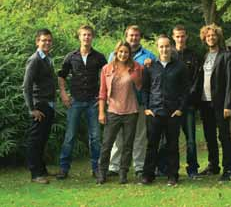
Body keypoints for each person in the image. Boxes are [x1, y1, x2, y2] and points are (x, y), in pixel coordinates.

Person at [56, 25, 107, 179]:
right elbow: (61, 76)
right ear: (79, 37)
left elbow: (106, 77)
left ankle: (96, 168)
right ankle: (64, 169)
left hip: (93, 101)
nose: (86, 37)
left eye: (89, 35)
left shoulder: (99, 57)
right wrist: (64, 94)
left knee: (95, 138)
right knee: (70, 136)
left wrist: (102, 97)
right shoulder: (71, 57)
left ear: (92, 37)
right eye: (84, 35)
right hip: (75, 101)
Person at [108, 25, 155, 178]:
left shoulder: (149, 56)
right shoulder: (113, 55)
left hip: (139, 102)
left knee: (139, 136)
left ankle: (139, 166)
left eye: (136, 35)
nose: (133, 38)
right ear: (126, 36)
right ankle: (114, 166)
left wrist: (149, 67)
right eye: (131, 35)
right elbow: (107, 77)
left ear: (140, 37)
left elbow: (153, 79)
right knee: (118, 137)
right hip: (118, 104)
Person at [141, 35, 189, 186]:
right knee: (151, 145)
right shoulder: (150, 67)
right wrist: (147, 108)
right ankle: (148, 175)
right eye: (161, 46)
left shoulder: (180, 67)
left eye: (167, 46)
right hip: (154, 112)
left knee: (172, 146)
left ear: (171, 47)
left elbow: (185, 90)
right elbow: (145, 90)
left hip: (172, 113)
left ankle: (172, 176)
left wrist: (180, 109)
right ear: (157, 48)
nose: (164, 49)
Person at [192, 24, 231, 182]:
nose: (211, 38)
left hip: (220, 103)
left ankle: (229, 169)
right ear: (204, 38)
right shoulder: (205, 56)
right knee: (209, 136)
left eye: (213, 35)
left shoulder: (226, 56)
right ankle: (213, 165)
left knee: (224, 136)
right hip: (205, 103)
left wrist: (228, 105)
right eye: (208, 36)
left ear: (218, 37)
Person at [97, 41, 143, 184]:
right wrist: (101, 112)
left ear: (130, 54)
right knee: (107, 144)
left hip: (131, 111)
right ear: (116, 52)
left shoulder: (136, 68)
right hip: (113, 111)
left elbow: (144, 83)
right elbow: (102, 93)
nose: (123, 54)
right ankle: (102, 173)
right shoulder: (107, 69)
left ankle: (123, 173)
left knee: (128, 145)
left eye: (126, 52)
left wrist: (147, 64)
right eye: (121, 52)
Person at [157, 25, 200, 178]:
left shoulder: (193, 56)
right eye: (177, 36)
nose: (180, 39)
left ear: (186, 36)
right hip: (170, 106)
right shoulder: (168, 53)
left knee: (190, 140)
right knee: (166, 140)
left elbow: (195, 81)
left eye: (182, 36)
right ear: (173, 37)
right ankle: (162, 168)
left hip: (187, 106)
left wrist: (187, 100)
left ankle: (192, 169)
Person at [23, 29, 56, 184]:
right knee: (35, 140)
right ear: (37, 41)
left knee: (43, 139)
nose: (47, 43)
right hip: (39, 105)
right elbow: (27, 86)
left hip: (48, 104)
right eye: (43, 40)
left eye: (49, 40)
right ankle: (35, 174)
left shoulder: (47, 58)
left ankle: (42, 169)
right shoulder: (34, 59)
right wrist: (32, 109)